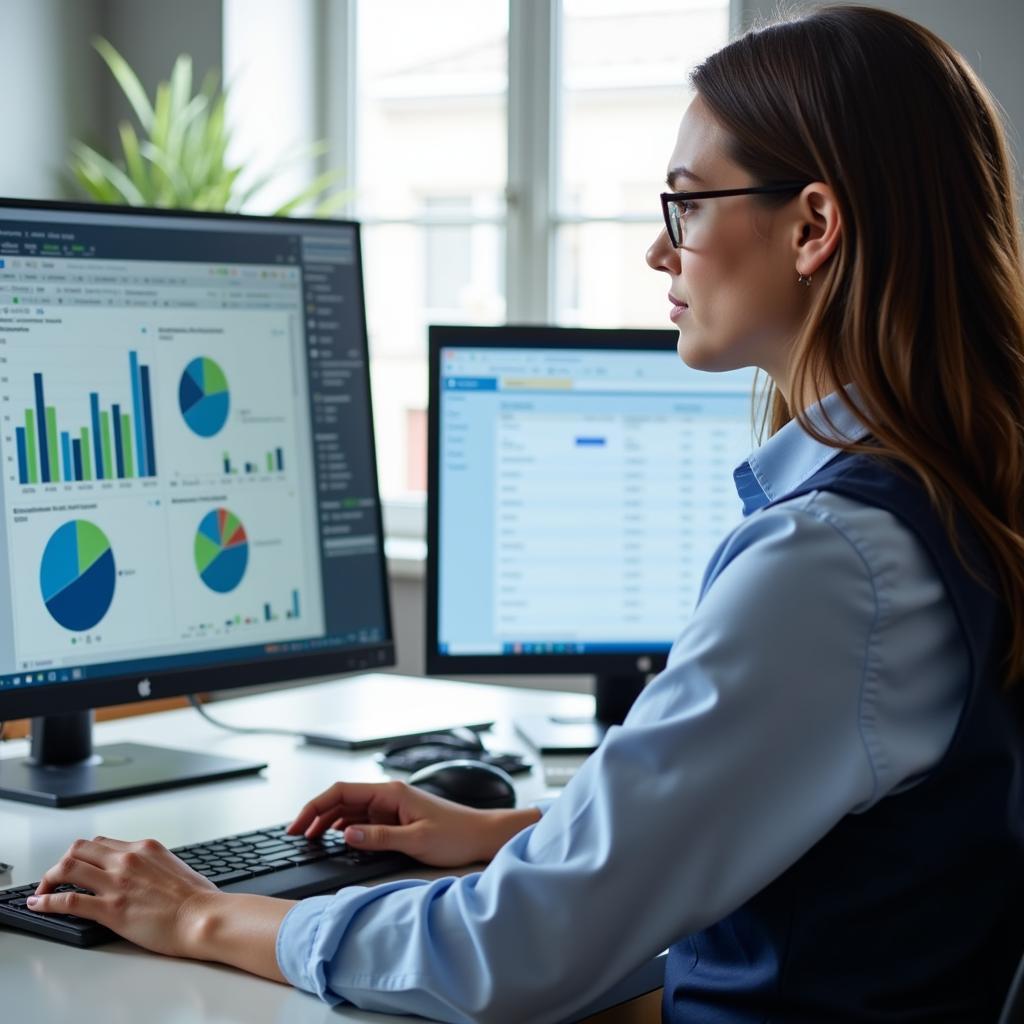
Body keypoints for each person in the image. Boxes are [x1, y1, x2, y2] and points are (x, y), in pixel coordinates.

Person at [26, 5, 1024, 1021]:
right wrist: (506, 831)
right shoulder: (947, 494)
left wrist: (202, 913)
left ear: (813, 227)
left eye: (685, 204)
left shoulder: (836, 560)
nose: (657, 249)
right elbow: (814, 824)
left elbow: (511, 953)